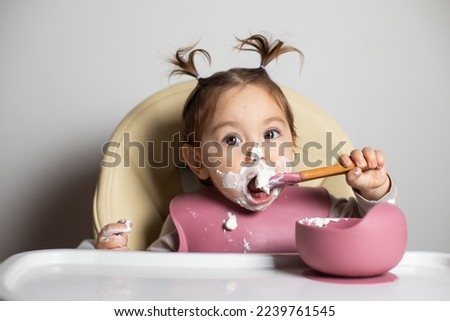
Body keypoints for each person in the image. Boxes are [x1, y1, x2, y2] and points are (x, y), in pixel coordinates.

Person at [96, 34, 398, 252]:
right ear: (198, 162)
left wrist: (374, 190)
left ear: (292, 144)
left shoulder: (319, 209)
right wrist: (116, 260)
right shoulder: (185, 219)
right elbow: (148, 285)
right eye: (231, 139)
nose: (257, 152)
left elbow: (376, 235)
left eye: (270, 135)